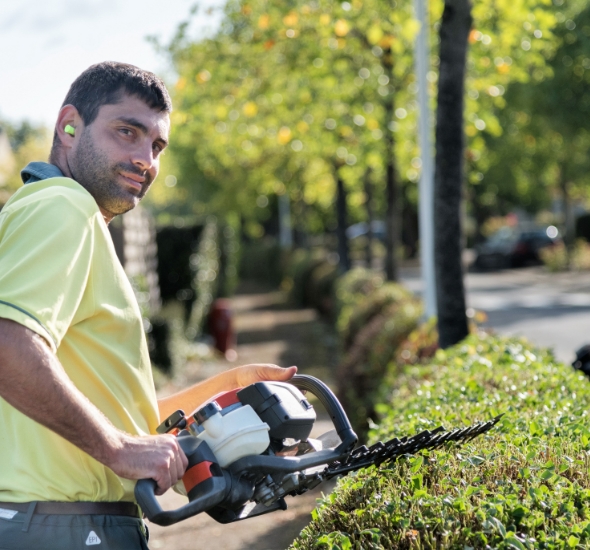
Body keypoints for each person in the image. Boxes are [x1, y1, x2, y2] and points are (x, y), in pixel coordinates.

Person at [0, 61, 296, 549]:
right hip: (66, 528)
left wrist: (228, 389)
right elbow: (8, 343)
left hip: (57, 524)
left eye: (156, 145)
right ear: (69, 125)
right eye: (127, 132)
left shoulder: (46, 210)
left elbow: (109, 413)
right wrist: (117, 449)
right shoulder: (63, 206)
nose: (146, 159)